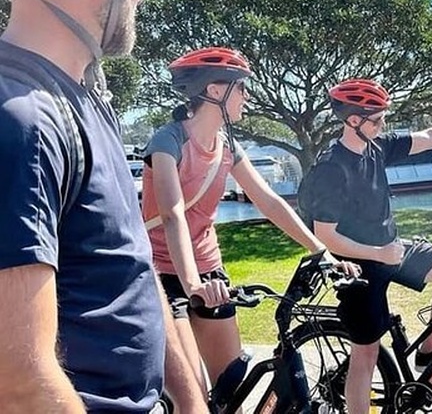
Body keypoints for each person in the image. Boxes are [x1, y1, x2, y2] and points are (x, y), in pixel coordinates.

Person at [0, 0, 207, 413]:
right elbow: (18, 381)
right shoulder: (23, 120)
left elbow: (131, 262)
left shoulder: (86, 101)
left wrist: (191, 400)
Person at [141, 47, 358, 389]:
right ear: (214, 90)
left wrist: (320, 251)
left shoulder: (227, 145)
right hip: (163, 275)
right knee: (191, 394)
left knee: (232, 387)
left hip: (209, 270)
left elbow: (268, 201)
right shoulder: (168, 141)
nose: (247, 96)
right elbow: (172, 214)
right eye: (241, 87)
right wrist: (192, 285)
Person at [297, 79, 432, 414]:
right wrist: (378, 254)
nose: (383, 124)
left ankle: (428, 353)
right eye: (377, 119)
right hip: (358, 267)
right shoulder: (332, 168)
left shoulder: (376, 147)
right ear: (353, 120)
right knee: (366, 355)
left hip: (392, 249)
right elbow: (326, 236)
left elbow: (428, 137)